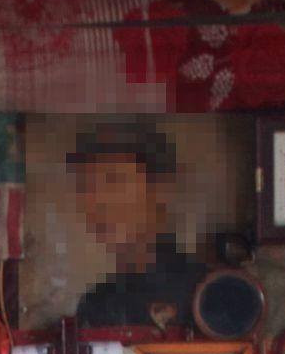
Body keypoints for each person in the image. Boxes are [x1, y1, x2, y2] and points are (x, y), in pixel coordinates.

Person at [63, 121, 210, 334]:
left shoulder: (204, 290)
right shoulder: (97, 303)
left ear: (160, 188)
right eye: (88, 188)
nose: (97, 202)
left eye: (113, 182)